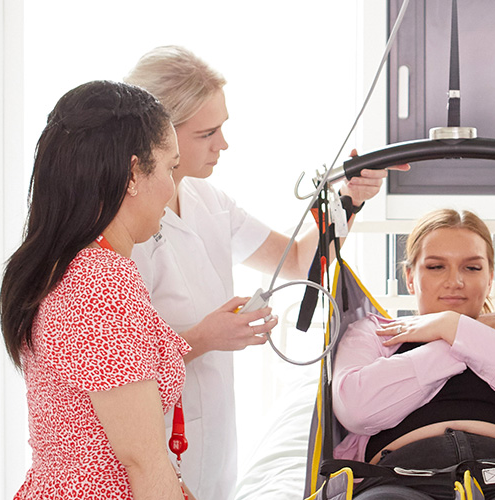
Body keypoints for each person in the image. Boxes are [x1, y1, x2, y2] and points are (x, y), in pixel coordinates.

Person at [123, 45, 407, 500]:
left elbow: (296, 260)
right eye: (208, 133)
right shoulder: (123, 231)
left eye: (223, 127)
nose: (223, 144)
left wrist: (349, 199)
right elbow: (118, 365)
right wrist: (207, 336)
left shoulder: (207, 199)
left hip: (213, 430)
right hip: (151, 434)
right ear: (162, 136)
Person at [0, 80, 204, 499]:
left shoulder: (63, 263)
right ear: (132, 174)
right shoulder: (102, 283)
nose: (172, 188)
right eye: (170, 167)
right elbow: (141, 461)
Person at [331, 209, 495, 500]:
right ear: (410, 277)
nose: (455, 281)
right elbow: (356, 410)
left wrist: (453, 326)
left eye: (471, 268)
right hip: (400, 476)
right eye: (436, 267)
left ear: (490, 278)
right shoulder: (375, 332)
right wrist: (460, 334)